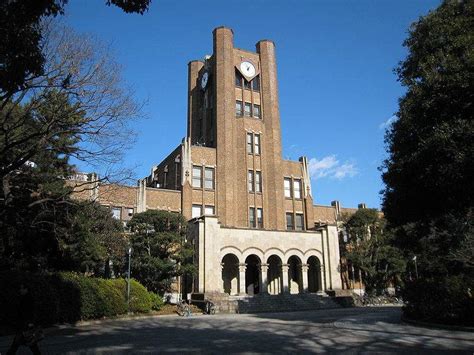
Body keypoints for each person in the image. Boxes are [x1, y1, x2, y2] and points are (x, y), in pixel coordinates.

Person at [6, 284, 42, 355]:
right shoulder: (25, 298)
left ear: (26, 289)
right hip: (24, 323)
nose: (20, 290)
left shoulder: (28, 298)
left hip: (25, 323)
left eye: (22, 288)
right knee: (28, 341)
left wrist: (30, 322)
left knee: (22, 341)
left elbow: (31, 311)